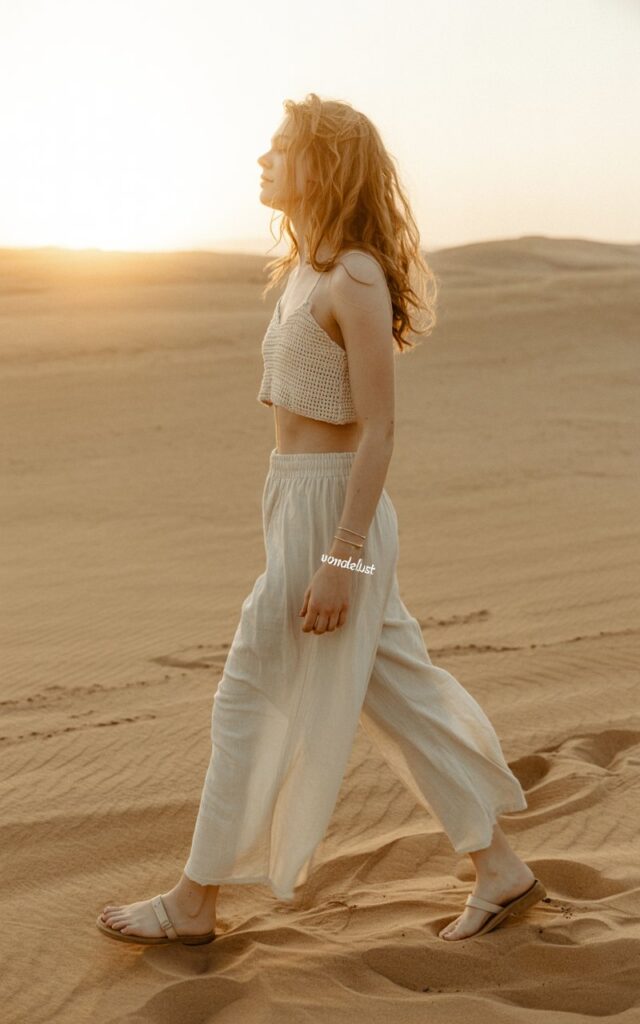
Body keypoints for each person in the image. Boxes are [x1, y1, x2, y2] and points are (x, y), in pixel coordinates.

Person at [96, 93, 545, 947]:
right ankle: (501, 870)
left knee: (246, 695)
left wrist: (342, 560)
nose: (261, 161)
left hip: (342, 525)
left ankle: (196, 903)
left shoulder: (356, 278)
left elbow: (379, 429)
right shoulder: (304, 270)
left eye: (278, 148)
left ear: (323, 165)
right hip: (300, 506)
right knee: (399, 695)